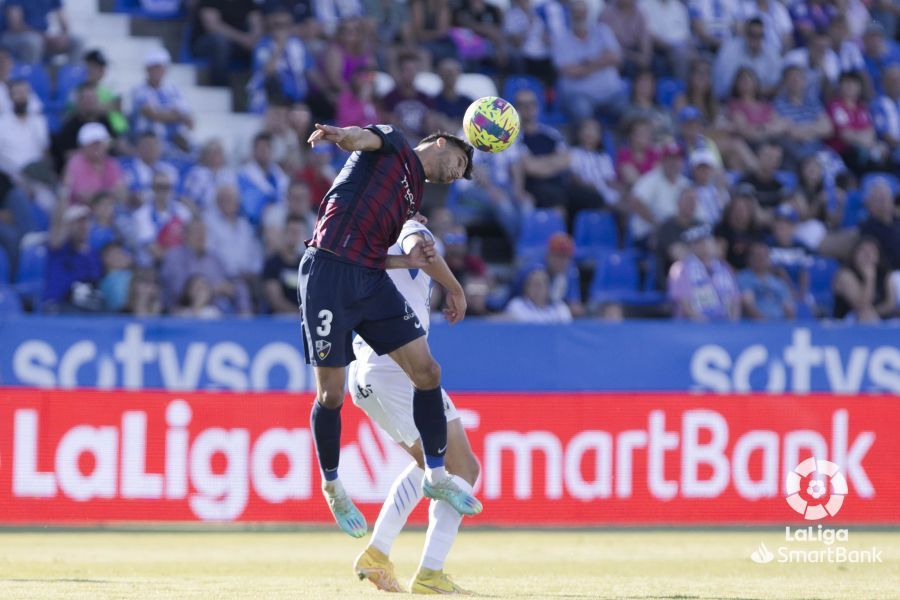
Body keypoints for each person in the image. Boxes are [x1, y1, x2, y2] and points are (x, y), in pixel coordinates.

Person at [300, 122, 480, 538]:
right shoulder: (394, 142)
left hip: (368, 277)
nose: (457, 172)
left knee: (428, 372)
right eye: (458, 161)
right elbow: (360, 138)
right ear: (441, 142)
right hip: (327, 270)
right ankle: (334, 487)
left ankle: (436, 474)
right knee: (330, 395)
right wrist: (338, 135)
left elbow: (378, 255)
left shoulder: (413, 197)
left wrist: (408, 264)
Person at [349, 216, 479, 595]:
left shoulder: (375, 240)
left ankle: (379, 554)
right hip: (395, 369)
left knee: (443, 465)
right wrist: (455, 288)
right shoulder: (407, 226)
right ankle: (429, 573)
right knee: (459, 467)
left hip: (376, 371)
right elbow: (418, 250)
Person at [668, 224, 741, 321]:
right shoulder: (680, 269)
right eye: (698, 242)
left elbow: (735, 300)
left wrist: (734, 323)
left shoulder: (724, 267)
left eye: (707, 240)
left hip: (724, 325)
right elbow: (684, 304)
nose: (704, 245)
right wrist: (703, 323)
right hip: (693, 327)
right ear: (691, 247)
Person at [130, 48, 194, 156]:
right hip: (149, 140)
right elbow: (152, 114)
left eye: (159, 68)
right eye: (153, 68)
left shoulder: (174, 90)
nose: (157, 71)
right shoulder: (139, 90)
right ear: (147, 70)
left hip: (174, 140)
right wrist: (176, 116)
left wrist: (167, 115)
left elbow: (189, 120)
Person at [190, 0, 263, 87]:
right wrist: (243, 39)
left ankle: (258, 88)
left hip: (238, 44)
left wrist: (254, 38)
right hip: (205, 43)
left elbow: (256, 22)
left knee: (263, 46)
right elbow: (213, 26)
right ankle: (219, 89)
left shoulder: (247, 2)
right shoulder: (209, 1)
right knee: (219, 42)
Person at [833, 236, 897, 321]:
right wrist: (869, 278)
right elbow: (862, 306)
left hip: (880, 319)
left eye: (872, 252)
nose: (868, 255)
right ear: (855, 254)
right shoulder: (845, 275)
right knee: (865, 314)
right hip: (849, 322)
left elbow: (890, 304)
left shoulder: (885, 274)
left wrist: (875, 312)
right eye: (864, 251)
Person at [62, 123, 124, 206]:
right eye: (92, 144)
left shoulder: (111, 162)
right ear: (83, 146)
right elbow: (83, 196)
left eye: (99, 143)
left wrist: (101, 195)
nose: (97, 148)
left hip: (108, 209)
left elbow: (122, 192)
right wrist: (109, 194)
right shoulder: (75, 163)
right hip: (82, 211)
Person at [737, 241, 796, 320]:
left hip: (780, 325)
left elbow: (788, 307)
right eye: (757, 256)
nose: (761, 259)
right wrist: (765, 323)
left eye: (764, 256)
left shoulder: (778, 282)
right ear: (750, 258)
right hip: (755, 326)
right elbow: (747, 305)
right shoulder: (743, 278)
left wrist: (788, 326)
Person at [262, 215, 304, 314]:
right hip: (280, 318)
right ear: (284, 233)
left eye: (298, 232)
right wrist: (299, 314)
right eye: (292, 232)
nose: (295, 236)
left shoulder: (306, 264)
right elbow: (275, 300)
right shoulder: (272, 263)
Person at [504, 266, 574, 323]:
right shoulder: (517, 306)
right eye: (533, 284)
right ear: (526, 288)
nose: (536, 289)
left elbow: (566, 332)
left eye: (540, 284)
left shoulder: (560, 308)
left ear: (547, 288)